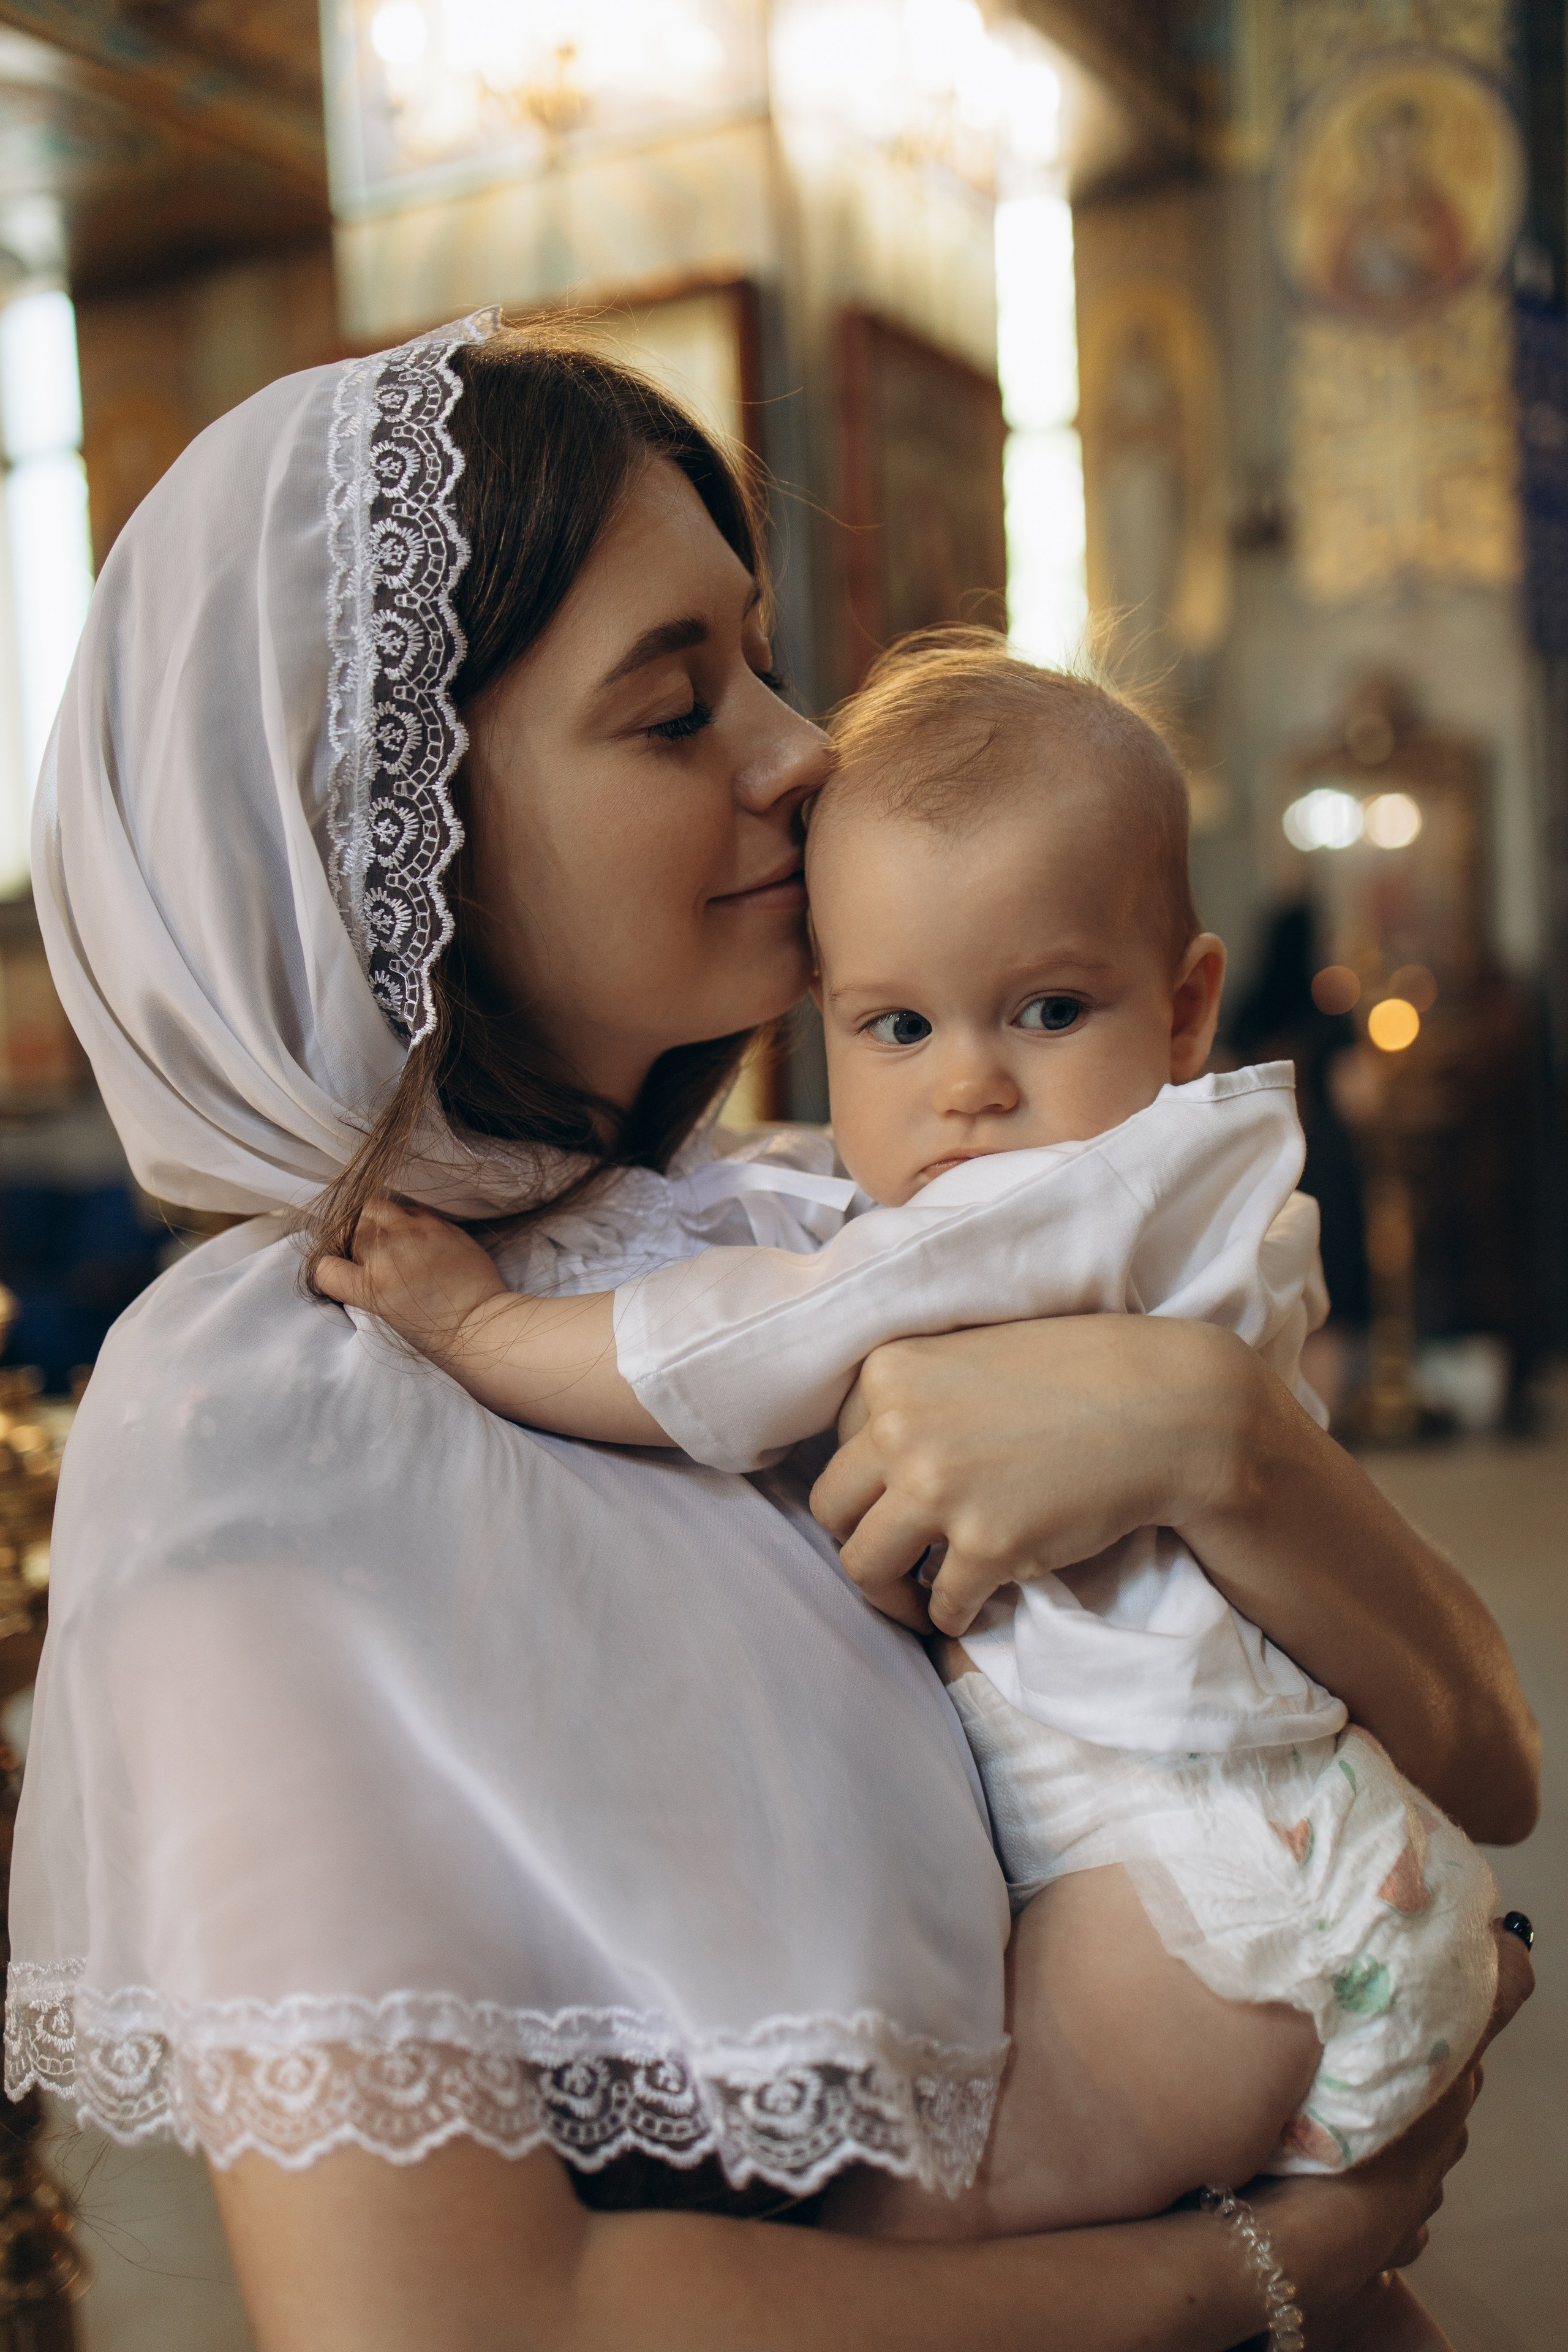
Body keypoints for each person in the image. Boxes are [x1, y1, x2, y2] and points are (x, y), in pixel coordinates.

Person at [4, 313, 1536, 2352]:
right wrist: (1253, 2270)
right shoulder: (269, 1434)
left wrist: (1214, 1434)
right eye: (673, 709)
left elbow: (1490, 1763)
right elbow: (459, 2330)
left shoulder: (827, 1202)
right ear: (378, 846)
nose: (807, 747)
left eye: (761, 652)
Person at [319, 634, 1496, 2255]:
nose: (973, 1087)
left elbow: (742, 1343)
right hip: (1272, 1868)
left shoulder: (1045, 1206)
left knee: (915, 2231)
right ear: (824, 1025)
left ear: (1185, 1008)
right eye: (898, 1029)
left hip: (1199, 1887)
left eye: (1048, 1008)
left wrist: (475, 1331)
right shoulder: (1174, 1184)